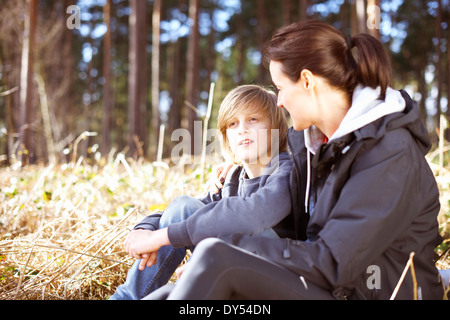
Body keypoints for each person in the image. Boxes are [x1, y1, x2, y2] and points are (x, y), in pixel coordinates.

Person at [143, 20, 445, 300]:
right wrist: (236, 165)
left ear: (307, 81)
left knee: (216, 257)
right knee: (166, 296)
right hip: (323, 285)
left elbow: (333, 262)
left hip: (368, 293)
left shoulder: (388, 154)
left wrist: (230, 247)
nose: (280, 101)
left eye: (280, 88)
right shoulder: (313, 147)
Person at [109, 84, 295, 299]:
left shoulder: (286, 170)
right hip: (233, 268)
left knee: (195, 211)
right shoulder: (233, 179)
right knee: (185, 207)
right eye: (233, 124)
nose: (243, 129)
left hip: (276, 273)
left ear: (276, 128)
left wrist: (161, 237)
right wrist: (147, 228)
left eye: (253, 119)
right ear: (226, 138)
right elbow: (182, 212)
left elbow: (253, 215)